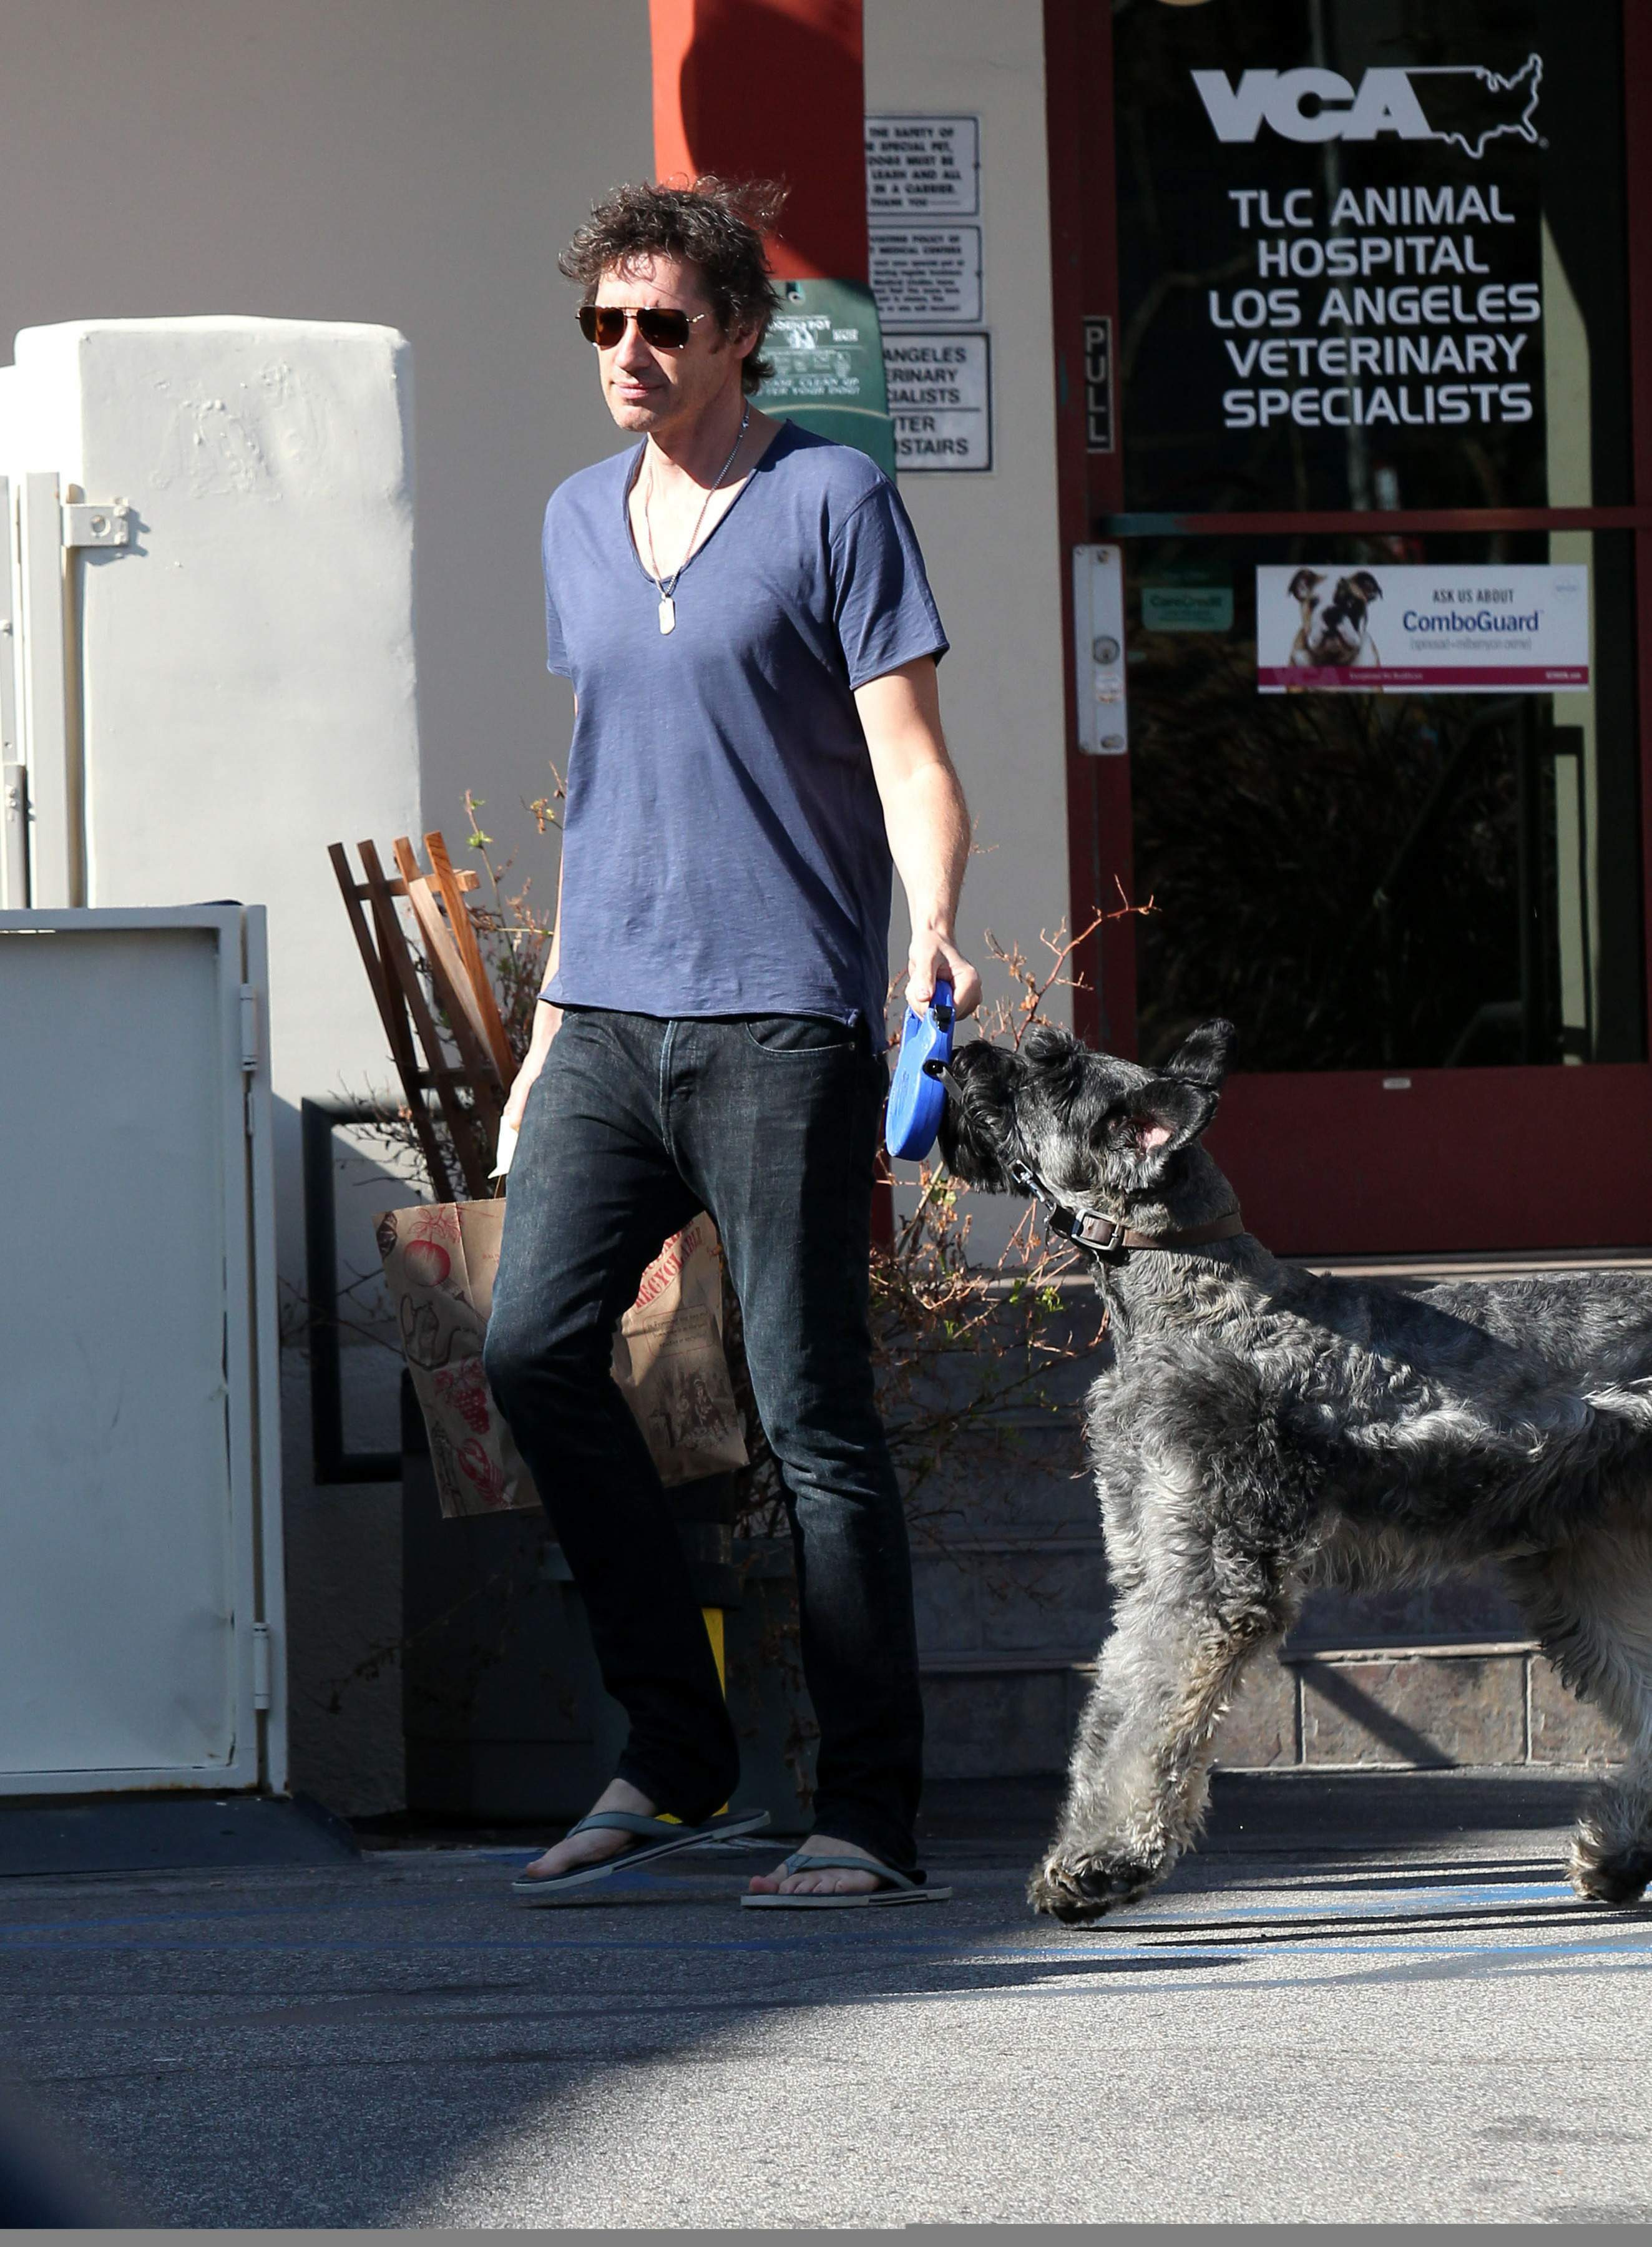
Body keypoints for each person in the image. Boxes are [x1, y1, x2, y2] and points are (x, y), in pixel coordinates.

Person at [482, 176, 980, 1905]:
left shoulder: (832, 500)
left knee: (809, 1412)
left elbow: (910, 756)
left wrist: (932, 927)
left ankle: (869, 1814)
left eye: (663, 323)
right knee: (533, 1351)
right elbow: (607, 786)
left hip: (780, 1018)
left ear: (741, 335)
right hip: (611, 1019)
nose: (627, 350)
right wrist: (548, 1023)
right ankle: (677, 1751)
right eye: (603, 323)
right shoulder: (575, 518)